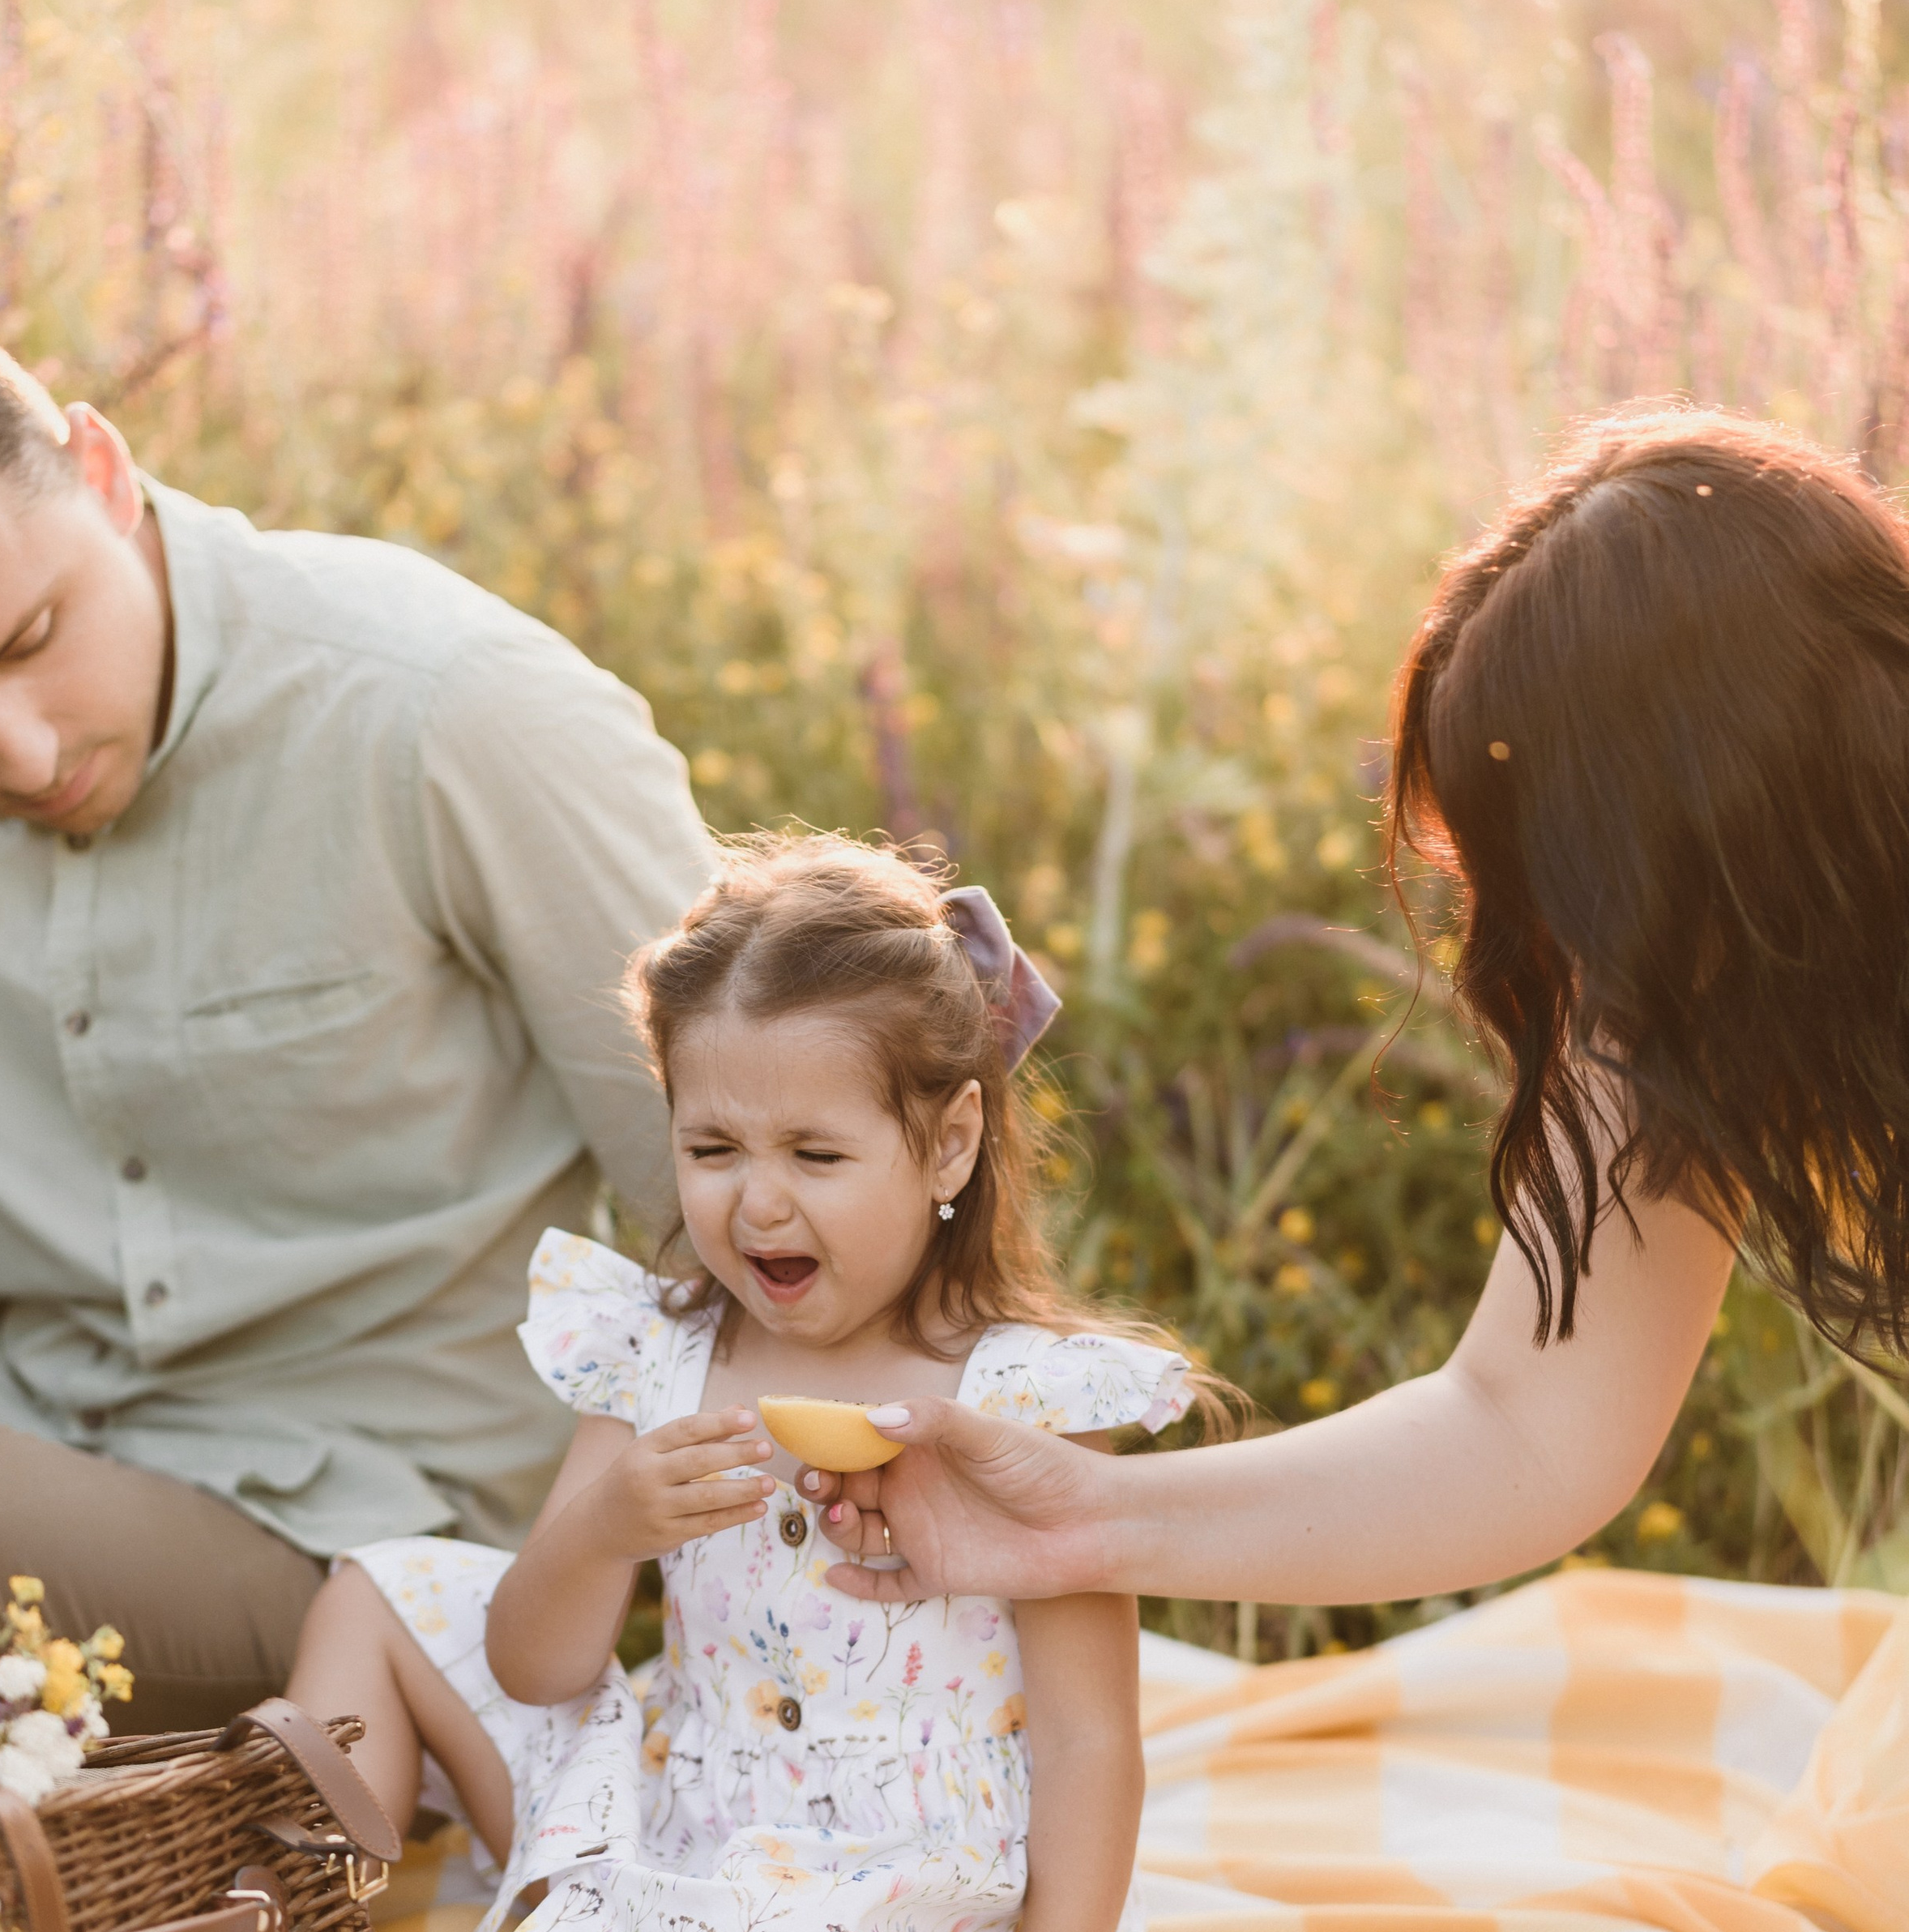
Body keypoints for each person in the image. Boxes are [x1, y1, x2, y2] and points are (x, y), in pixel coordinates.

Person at [798, 407, 1899, 1613]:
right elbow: (1523, 1424)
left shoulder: (1678, 953)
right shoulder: (1660, 987)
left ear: (1739, 832)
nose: (1570, 978)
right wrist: (1089, 1519)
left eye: (1582, 893)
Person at [0, 302, 712, 1729]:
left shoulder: (452, 712)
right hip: (6, 1396)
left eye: (33, 638)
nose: (18, 752)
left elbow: (764, 1194)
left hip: (354, 1543)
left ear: (105, 474)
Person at [288, 835, 1206, 1932]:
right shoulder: (658, 1349)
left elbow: (1091, 1740)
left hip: (894, 1869)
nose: (757, 1207)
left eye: (814, 1157)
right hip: (685, 1790)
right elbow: (534, 1666)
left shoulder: (1016, 1399)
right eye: (713, 1150)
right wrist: (603, 1531)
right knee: (376, 1593)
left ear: (948, 1148)